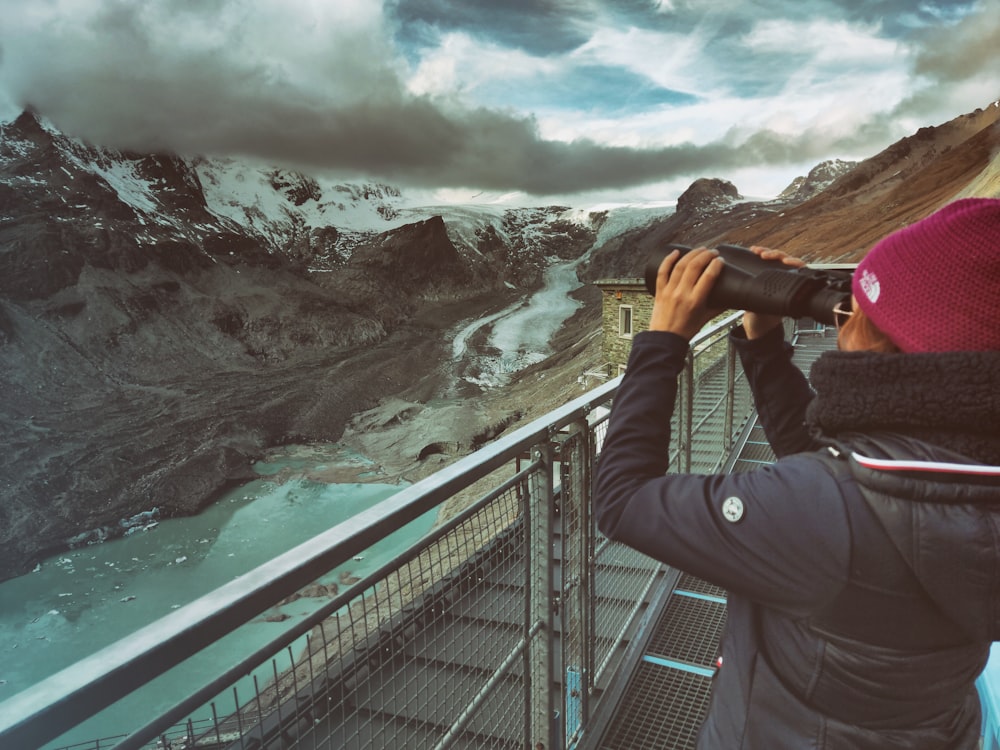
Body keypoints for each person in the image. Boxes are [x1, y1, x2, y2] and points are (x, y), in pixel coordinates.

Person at [593, 197, 1000, 749]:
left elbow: (623, 498)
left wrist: (662, 341)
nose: (840, 324)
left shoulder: (827, 516)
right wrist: (763, 342)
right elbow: (832, 470)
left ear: (890, 347)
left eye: (854, 311)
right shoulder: (961, 465)